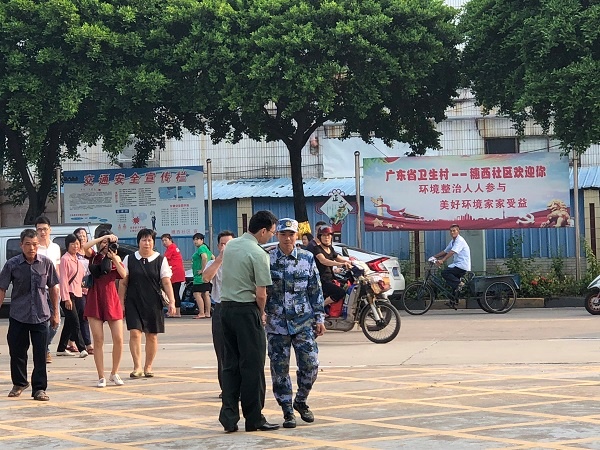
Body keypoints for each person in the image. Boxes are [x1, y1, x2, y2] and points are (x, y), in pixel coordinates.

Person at [218, 210, 280, 433]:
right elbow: (261, 293)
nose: (271, 236)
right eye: (271, 232)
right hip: (246, 311)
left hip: (225, 310)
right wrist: (261, 313)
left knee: (230, 365)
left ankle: (229, 417)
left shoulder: (231, 245)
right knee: (252, 366)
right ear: (263, 231)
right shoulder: (258, 253)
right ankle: (254, 418)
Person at [266, 218, 325, 429]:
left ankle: (301, 400)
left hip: (303, 322)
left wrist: (319, 318)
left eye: (291, 234)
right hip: (277, 323)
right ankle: (287, 411)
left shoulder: (307, 258)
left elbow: (315, 289)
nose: (287, 238)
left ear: (297, 236)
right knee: (279, 370)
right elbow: (260, 289)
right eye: (283, 234)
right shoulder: (268, 259)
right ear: (277, 235)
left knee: (311, 365)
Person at [0, 228, 59, 401]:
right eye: (28, 244)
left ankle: (39, 389)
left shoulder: (46, 263)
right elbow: (2, 288)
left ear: (38, 245)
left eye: (34, 244)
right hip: (18, 315)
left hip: (41, 315)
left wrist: (55, 313)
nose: (31, 248)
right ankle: (19, 383)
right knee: (17, 352)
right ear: (21, 245)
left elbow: (54, 287)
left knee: (40, 354)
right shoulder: (12, 264)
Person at [119, 229, 176, 378]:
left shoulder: (160, 259)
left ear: (153, 242)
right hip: (133, 301)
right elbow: (123, 283)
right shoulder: (129, 259)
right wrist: (121, 302)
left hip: (153, 302)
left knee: (152, 335)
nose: (147, 243)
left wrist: (172, 301)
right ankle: (137, 366)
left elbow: (166, 282)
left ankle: (148, 366)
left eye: (150, 240)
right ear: (138, 242)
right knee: (135, 333)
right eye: (144, 240)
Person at [83, 230, 127, 387]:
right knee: (98, 339)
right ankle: (101, 376)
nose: (106, 245)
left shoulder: (116, 258)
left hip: (111, 298)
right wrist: (103, 238)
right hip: (95, 298)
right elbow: (84, 246)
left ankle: (114, 373)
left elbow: (123, 274)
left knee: (119, 338)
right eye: (104, 243)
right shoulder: (93, 256)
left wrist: (114, 258)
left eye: (109, 243)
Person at [202, 230, 235, 398]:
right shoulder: (213, 263)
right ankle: (226, 388)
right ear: (218, 246)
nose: (226, 247)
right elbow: (206, 278)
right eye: (223, 244)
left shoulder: (242, 261)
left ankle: (241, 387)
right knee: (222, 351)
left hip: (240, 308)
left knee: (240, 351)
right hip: (221, 308)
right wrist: (220, 259)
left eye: (229, 244)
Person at [34, 216, 62, 364]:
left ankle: (44, 346)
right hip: (39, 290)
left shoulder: (55, 247)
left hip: (53, 289)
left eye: (45, 229)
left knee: (56, 322)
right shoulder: (34, 248)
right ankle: (45, 350)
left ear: (50, 230)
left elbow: (57, 269)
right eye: (39, 229)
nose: (42, 232)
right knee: (43, 322)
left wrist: (59, 287)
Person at [56, 234, 88, 358]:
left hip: (78, 293)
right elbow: (63, 280)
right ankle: (82, 348)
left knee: (70, 322)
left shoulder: (78, 260)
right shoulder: (65, 259)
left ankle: (61, 348)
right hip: (68, 295)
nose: (75, 246)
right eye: (73, 244)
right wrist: (66, 298)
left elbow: (80, 278)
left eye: (77, 244)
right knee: (75, 322)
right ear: (67, 245)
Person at [311, 226, 352, 308]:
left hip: (331, 278)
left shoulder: (330, 248)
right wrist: (339, 264)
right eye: (324, 235)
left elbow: (339, 258)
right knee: (340, 292)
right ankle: (319, 307)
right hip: (320, 280)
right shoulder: (317, 249)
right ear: (320, 237)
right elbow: (323, 260)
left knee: (347, 285)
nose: (326, 237)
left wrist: (351, 262)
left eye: (328, 235)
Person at [431, 224, 471, 304]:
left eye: (454, 231)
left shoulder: (460, 240)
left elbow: (452, 252)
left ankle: (460, 284)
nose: (452, 232)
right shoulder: (453, 241)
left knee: (445, 273)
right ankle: (454, 301)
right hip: (457, 265)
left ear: (458, 231)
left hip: (462, 266)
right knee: (454, 283)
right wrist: (433, 257)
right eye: (451, 231)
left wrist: (442, 260)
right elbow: (445, 251)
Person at [74, 227, 93, 354]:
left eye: (84, 235)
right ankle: (88, 344)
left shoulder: (90, 252)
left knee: (75, 318)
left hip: (89, 287)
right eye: (79, 236)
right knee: (83, 316)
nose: (82, 238)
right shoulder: (73, 255)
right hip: (77, 289)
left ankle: (69, 342)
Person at [161, 233, 186, 318]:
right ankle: (174, 312)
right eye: (163, 241)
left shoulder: (171, 248)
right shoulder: (173, 247)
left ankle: (176, 312)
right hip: (176, 273)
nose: (164, 242)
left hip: (175, 273)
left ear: (170, 240)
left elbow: (164, 260)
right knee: (175, 292)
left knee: (173, 293)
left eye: (165, 240)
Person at [191, 233, 213, 319]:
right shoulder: (206, 248)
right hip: (205, 276)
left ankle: (201, 313)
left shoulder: (201, 248)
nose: (195, 241)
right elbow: (213, 258)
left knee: (197, 293)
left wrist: (203, 270)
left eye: (197, 239)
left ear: (202, 240)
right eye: (194, 239)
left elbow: (204, 257)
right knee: (205, 294)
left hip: (199, 276)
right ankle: (207, 313)